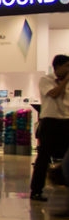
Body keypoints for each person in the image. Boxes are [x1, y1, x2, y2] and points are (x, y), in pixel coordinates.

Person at [30, 54, 69, 202]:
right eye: (66, 66)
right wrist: (65, 81)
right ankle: (36, 190)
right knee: (43, 157)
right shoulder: (46, 80)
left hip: (66, 121)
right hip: (50, 122)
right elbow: (54, 94)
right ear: (57, 67)